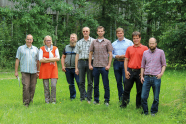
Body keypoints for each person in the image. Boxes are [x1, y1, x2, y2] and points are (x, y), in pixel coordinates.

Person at [120, 31, 148, 108]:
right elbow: (126, 60)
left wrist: (143, 72)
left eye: (137, 38)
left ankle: (138, 106)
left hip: (140, 72)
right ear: (132, 39)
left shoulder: (145, 48)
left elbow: (147, 61)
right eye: (134, 38)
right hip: (130, 71)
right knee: (126, 89)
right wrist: (125, 71)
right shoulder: (129, 48)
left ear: (140, 38)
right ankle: (123, 105)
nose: (136, 40)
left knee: (139, 90)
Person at [141, 38, 166, 116]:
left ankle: (153, 111)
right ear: (148, 44)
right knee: (143, 97)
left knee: (156, 97)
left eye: (153, 43)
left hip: (156, 77)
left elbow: (164, 64)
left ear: (156, 44)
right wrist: (142, 76)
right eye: (150, 43)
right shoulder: (145, 53)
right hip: (147, 77)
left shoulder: (161, 52)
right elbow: (142, 66)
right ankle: (145, 112)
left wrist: (161, 73)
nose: (151, 45)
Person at [89, 26, 113, 106]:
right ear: (97, 32)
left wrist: (109, 65)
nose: (100, 32)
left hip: (104, 66)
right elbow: (91, 53)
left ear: (104, 32)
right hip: (95, 66)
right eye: (99, 31)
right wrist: (90, 64)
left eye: (101, 31)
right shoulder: (93, 42)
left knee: (106, 84)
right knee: (95, 85)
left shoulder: (107, 42)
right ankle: (96, 100)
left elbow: (110, 54)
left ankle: (106, 100)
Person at [15, 34, 39, 107]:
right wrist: (16, 71)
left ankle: (30, 100)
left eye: (30, 39)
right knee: (26, 86)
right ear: (25, 40)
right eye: (28, 39)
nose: (29, 41)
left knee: (33, 87)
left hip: (34, 71)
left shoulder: (36, 49)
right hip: (25, 71)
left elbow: (38, 61)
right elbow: (17, 60)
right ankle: (26, 103)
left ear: (32, 40)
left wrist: (38, 71)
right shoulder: (20, 48)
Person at [112, 27, 133, 101]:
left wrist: (126, 56)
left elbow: (132, 52)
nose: (119, 34)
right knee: (118, 81)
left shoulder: (129, 42)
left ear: (123, 33)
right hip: (116, 63)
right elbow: (110, 54)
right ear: (116, 34)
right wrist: (115, 56)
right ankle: (121, 98)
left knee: (126, 81)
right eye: (118, 33)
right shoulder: (113, 43)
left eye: (121, 33)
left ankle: (126, 98)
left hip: (126, 63)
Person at [75, 27, 95, 103]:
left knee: (90, 81)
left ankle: (89, 98)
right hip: (81, 62)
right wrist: (76, 67)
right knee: (81, 81)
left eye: (87, 31)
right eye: (84, 31)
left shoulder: (93, 41)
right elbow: (77, 55)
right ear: (82, 32)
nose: (85, 32)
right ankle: (82, 97)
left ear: (89, 32)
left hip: (91, 62)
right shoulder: (79, 42)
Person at [39, 35, 60, 104]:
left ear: (51, 41)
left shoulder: (55, 48)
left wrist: (47, 59)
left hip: (53, 69)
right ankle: (47, 100)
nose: (48, 42)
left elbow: (58, 58)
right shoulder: (41, 49)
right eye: (47, 40)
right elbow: (41, 60)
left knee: (53, 85)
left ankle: (53, 100)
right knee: (46, 86)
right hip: (45, 69)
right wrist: (52, 59)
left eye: (49, 40)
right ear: (44, 42)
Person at [61, 33, 80, 100]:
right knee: (70, 84)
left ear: (76, 39)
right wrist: (63, 66)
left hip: (76, 69)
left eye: (74, 37)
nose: (72, 38)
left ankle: (83, 96)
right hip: (68, 69)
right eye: (71, 37)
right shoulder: (66, 47)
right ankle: (72, 97)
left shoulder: (79, 47)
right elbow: (63, 57)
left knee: (79, 82)